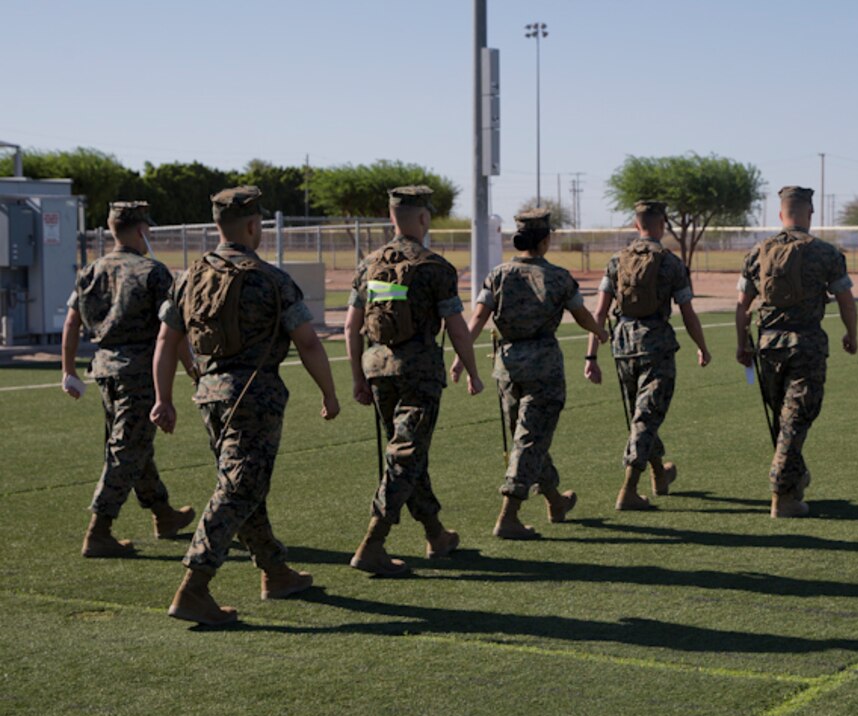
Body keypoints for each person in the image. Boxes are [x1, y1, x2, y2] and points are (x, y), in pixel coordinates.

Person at [151, 185, 340, 626]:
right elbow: (308, 342)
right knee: (238, 488)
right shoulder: (271, 279)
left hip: (210, 395)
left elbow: (165, 340)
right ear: (254, 226)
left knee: (244, 482)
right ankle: (194, 587)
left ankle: (275, 572)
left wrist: (163, 398)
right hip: (255, 397)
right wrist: (329, 393)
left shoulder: (189, 277)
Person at [344, 185, 484, 577]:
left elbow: (352, 325)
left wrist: (357, 377)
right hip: (419, 372)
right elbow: (456, 326)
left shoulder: (370, 265)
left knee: (407, 451)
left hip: (378, 370)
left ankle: (436, 534)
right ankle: (373, 542)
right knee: (405, 455)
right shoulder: (435, 267)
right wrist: (471, 371)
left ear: (392, 218)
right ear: (423, 218)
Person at [451, 208, 607, 539]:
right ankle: (509, 515)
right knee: (530, 438)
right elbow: (581, 315)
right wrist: (600, 332)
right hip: (544, 367)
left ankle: (555, 501)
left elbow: (477, 318)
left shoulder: (499, 274)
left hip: (507, 367)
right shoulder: (560, 277)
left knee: (526, 437)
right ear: (546, 240)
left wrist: (462, 357)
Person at [61, 201, 196, 557]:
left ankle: (163, 513)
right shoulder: (153, 272)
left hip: (104, 370)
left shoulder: (91, 271)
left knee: (133, 444)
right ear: (141, 230)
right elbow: (172, 331)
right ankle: (98, 531)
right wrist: (193, 369)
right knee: (127, 449)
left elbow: (72, 322)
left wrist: (68, 370)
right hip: (140, 372)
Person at [734, 186, 858, 518]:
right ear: (810, 214)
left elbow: (742, 306)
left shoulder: (758, 252)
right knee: (795, 421)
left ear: (780, 215)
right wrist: (851, 334)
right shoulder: (826, 254)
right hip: (806, 346)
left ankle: (795, 480)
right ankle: (782, 496)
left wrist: (741, 344)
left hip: (768, 346)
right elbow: (845, 299)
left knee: (784, 420)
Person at [585, 200, 711, 510]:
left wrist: (591, 356)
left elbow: (599, 312)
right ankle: (629, 489)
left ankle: (659, 474)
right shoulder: (670, 263)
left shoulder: (616, 260)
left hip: (623, 344)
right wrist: (702, 346)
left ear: (635, 224)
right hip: (656, 344)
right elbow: (688, 312)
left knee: (641, 415)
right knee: (646, 416)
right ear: (662, 225)